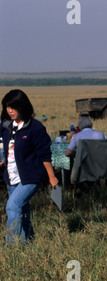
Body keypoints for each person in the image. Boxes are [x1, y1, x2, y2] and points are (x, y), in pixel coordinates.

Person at [0, 90, 59, 245]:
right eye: (7, 107)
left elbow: (45, 154)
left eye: (13, 107)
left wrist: (52, 177)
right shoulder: (6, 126)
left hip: (30, 177)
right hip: (11, 177)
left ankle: (12, 247)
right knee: (23, 212)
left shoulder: (35, 128)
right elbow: (3, 146)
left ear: (23, 106)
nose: (10, 111)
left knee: (12, 207)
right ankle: (29, 244)